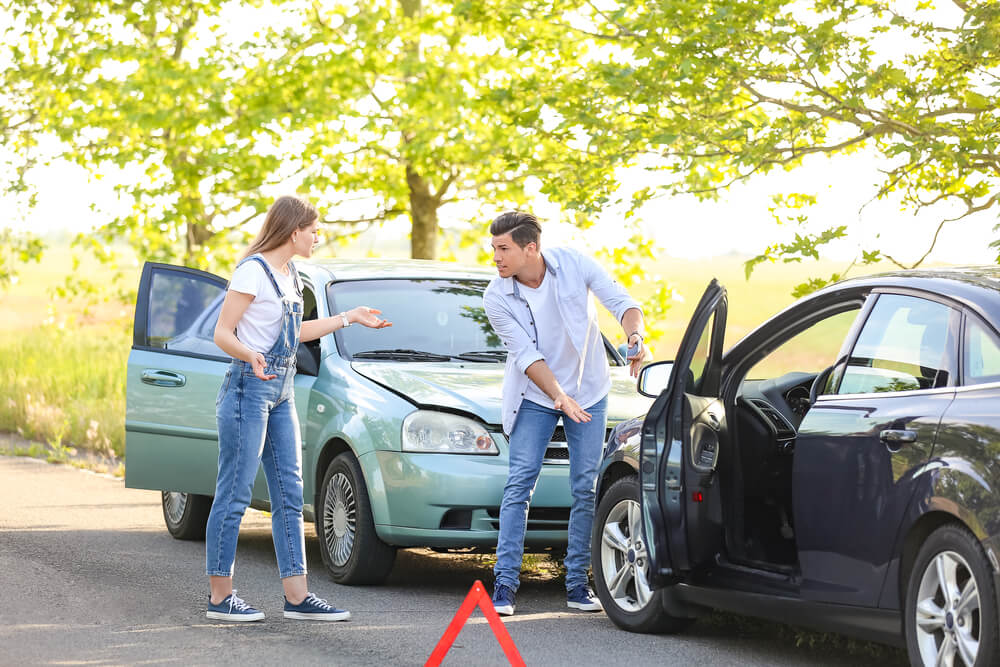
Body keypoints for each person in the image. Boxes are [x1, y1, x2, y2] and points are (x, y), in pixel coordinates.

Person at [206, 195, 390, 622]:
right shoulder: (252, 271)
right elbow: (223, 332)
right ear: (293, 231)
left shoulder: (291, 275)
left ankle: (297, 596)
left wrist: (351, 317)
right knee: (234, 493)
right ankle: (219, 597)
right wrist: (249, 355)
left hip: (282, 389)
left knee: (290, 493)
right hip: (247, 389)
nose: (317, 236)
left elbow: (296, 331)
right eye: (313, 229)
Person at [483, 211, 647, 616]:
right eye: (494, 249)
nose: (496, 257)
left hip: (589, 390)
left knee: (585, 487)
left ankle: (578, 583)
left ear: (531, 248)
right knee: (520, 482)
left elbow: (621, 302)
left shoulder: (573, 264)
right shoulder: (496, 295)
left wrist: (635, 336)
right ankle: (504, 584)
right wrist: (558, 396)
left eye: (503, 249)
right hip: (536, 394)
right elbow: (527, 356)